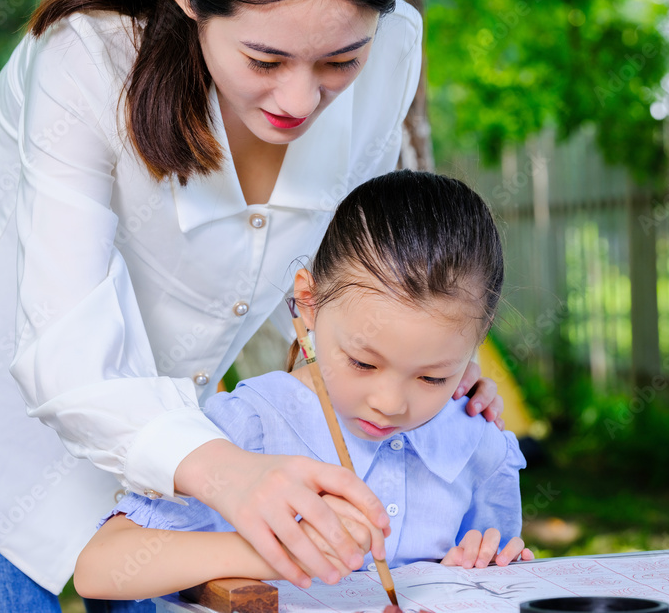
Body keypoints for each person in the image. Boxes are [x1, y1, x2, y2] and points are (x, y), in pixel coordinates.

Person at [0, 0, 507, 609]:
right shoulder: (86, 61)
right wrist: (231, 475)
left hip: (184, 445)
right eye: (265, 59)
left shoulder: (393, 54)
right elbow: (65, 357)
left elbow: (341, 267)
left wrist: (421, 364)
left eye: (340, 59)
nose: (301, 98)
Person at [74, 171, 532, 601]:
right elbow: (98, 568)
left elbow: (496, 571)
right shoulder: (249, 427)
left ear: (478, 337)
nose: (389, 404)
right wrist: (274, 551)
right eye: (362, 362)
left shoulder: (479, 443)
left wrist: (473, 572)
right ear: (308, 305)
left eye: (433, 376)